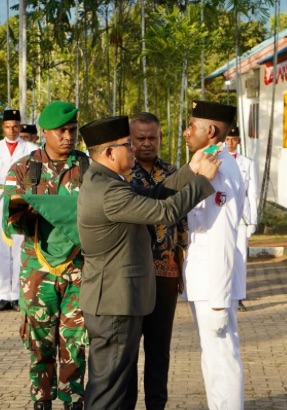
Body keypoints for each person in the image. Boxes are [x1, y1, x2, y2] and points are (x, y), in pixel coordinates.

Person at [78, 115, 220, 410]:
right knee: (108, 391)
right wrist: (204, 180)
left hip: (113, 299)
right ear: (108, 152)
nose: (134, 149)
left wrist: (191, 170)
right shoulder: (110, 191)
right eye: (127, 144)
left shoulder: (105, 179)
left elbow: (154, 195)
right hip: (115, 303)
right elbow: (165, 211)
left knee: (110, 385)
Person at [2, 102, 89, 410]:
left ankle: (73, 399)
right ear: (44, 133)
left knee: (75, 339)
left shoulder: (88, 168)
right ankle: (41, 400)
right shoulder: (24, 168)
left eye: (73, 130)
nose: (68, 136)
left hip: (79, 267)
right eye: (61, 131)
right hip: (38, 269)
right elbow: (12, 216)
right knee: (40, 341)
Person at [121, 112, 188, 410]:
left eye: (153, 138)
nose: (147, 144)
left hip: (165, 274)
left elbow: (183, 225)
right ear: (129, 140)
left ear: (161, 138)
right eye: (140, 138)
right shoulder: (121, 176)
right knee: (128, 351)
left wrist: (182, 267)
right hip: (131, 276)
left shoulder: (174, 174)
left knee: (159, 350)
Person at [182, 100, 245, 410]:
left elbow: (222, 235)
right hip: (204, 281)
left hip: (212, 283)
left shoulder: (218, 168)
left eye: (191, 126)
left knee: (222, 358)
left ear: (210, 130)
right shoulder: (207, 161)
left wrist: (220, 297)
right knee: (213, 358)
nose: (185, 132)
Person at [0, 109, 38, 311]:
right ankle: (3, 294)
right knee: (1, 250)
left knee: (18, 248)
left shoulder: (30, 149)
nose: (12, 130)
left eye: (15, 126)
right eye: (8, 126)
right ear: (2, 128)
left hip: (19, 200)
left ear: (20, 126)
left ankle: (17, 294)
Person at [226, 125, 259, 311]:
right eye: (228, 139)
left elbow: (252, 193)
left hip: (242, 216)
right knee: (224, 254)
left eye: (234, 139)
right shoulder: (217, 159)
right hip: (222, 214)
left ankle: (238, 296)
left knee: (240, 257)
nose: (230, 143)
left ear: (238, 141)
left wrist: (253, 218)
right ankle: (225, 293)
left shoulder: (247, 163)